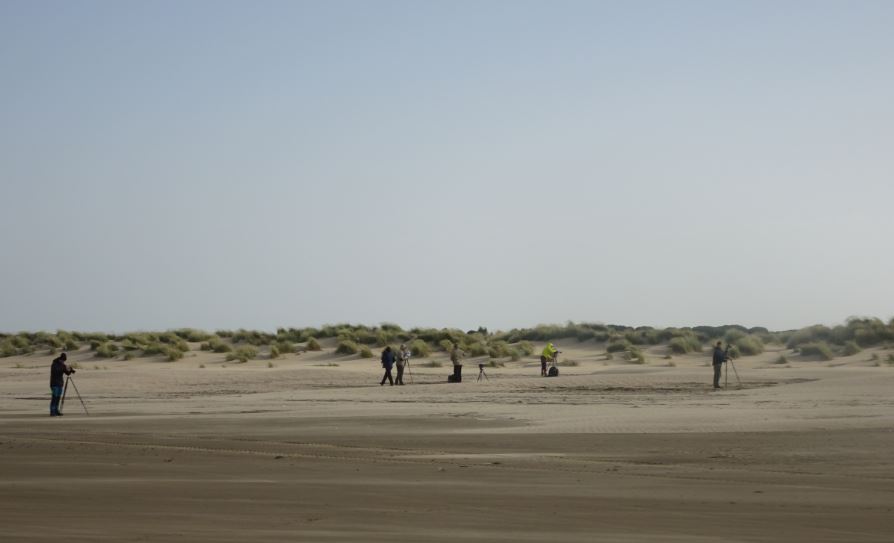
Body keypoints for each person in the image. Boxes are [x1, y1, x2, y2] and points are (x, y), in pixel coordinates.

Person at [49, 352, 74, 416]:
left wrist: (70, 370)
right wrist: (64, 367)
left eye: (64, 361)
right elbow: (56, 372)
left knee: (58, 398)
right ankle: (52, 411)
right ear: (60, 359)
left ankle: (56, 411)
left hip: (60, 383)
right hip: (54, 384)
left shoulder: (62, 365)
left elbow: (67, 373)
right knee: (54, 398)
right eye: (63, 360)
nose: (63, 362)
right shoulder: (54, 364)